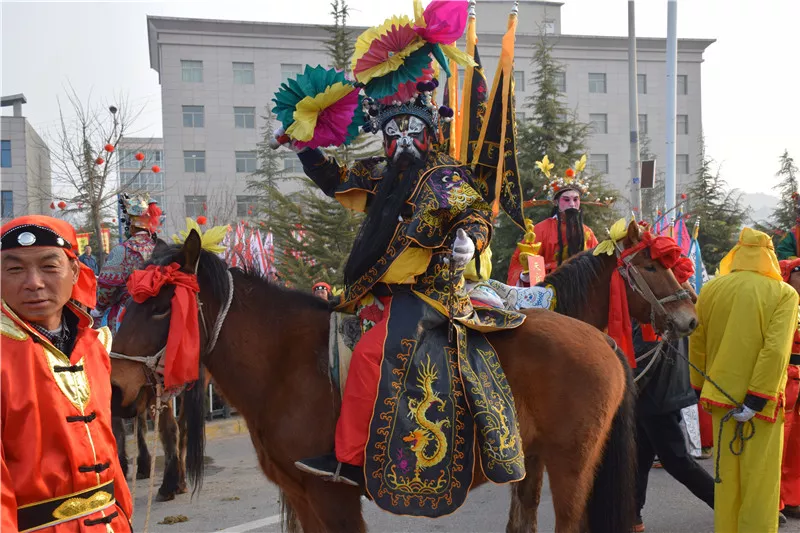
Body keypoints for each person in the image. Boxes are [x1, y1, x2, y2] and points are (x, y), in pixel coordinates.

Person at [273, 9, 525, 498]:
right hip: (379, 293)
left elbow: (475, 216)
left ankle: (349, 460)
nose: (402, 140)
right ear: (384, 137)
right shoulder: (379, 176)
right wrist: (303, 148)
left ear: (428, 132)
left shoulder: (445, 175)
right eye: (394, 133)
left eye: (411, 131)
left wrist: (468, 241)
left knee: (369, 355)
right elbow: (334, 179)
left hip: (429, 294)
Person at [1, 215, 133, 532]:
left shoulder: (94, 346)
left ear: (74, 271)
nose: (33, 282)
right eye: (15, 268)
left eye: (49, 266)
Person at [689, 227, 799, 533]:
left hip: (720, 398)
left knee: (726, 479)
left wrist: (699, 387)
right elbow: (776, 350)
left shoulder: (711, 289)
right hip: (762, 406)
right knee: (761, 482)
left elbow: (697, 342)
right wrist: (756, 397)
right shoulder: (784, 294)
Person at [632, 321, 715, 533]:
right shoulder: (662, 312)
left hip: (655, 398)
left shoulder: (648, 316)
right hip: (658, 396)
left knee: (677, 461)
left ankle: (723, 503)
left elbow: (643, 363)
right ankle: (632, 514)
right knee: (638, 459)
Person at [507, 157, 599, 286]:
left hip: (581, 289)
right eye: (566, 200)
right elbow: (521, 264)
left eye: (575, 199)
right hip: (550, 288)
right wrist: (526, 273)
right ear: (556, 202)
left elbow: (598, 265)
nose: (572, 204)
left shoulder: (587, 233)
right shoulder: (541, 230)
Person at [94, 193, 162, 331]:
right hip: (157, 313)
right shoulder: (159, 249)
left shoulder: (122, 250)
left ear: (131, 225)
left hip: (127, 313)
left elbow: (107, 284)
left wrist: (99, 307)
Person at [779, 258, 800, 520]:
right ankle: (774, 501)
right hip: (784, 379)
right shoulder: (781, 304)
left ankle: (793, 497)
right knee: (778, 447)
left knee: (796, 447)